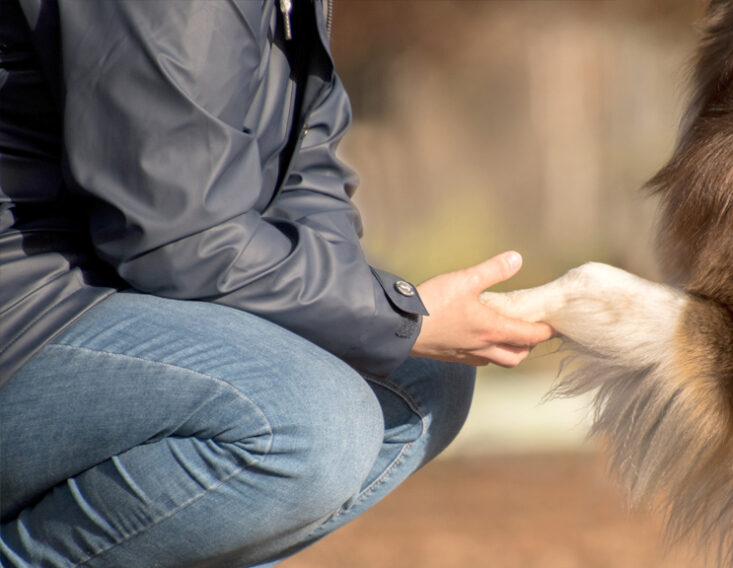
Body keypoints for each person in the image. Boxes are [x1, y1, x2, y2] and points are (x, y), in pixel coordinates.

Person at [0, 1, 553, 566]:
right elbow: (178, 238)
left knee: (421, 378)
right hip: (25, 309)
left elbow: (303, 173)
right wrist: (394, 318)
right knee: (310, 423)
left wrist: (387, 321)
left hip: (100, 284)